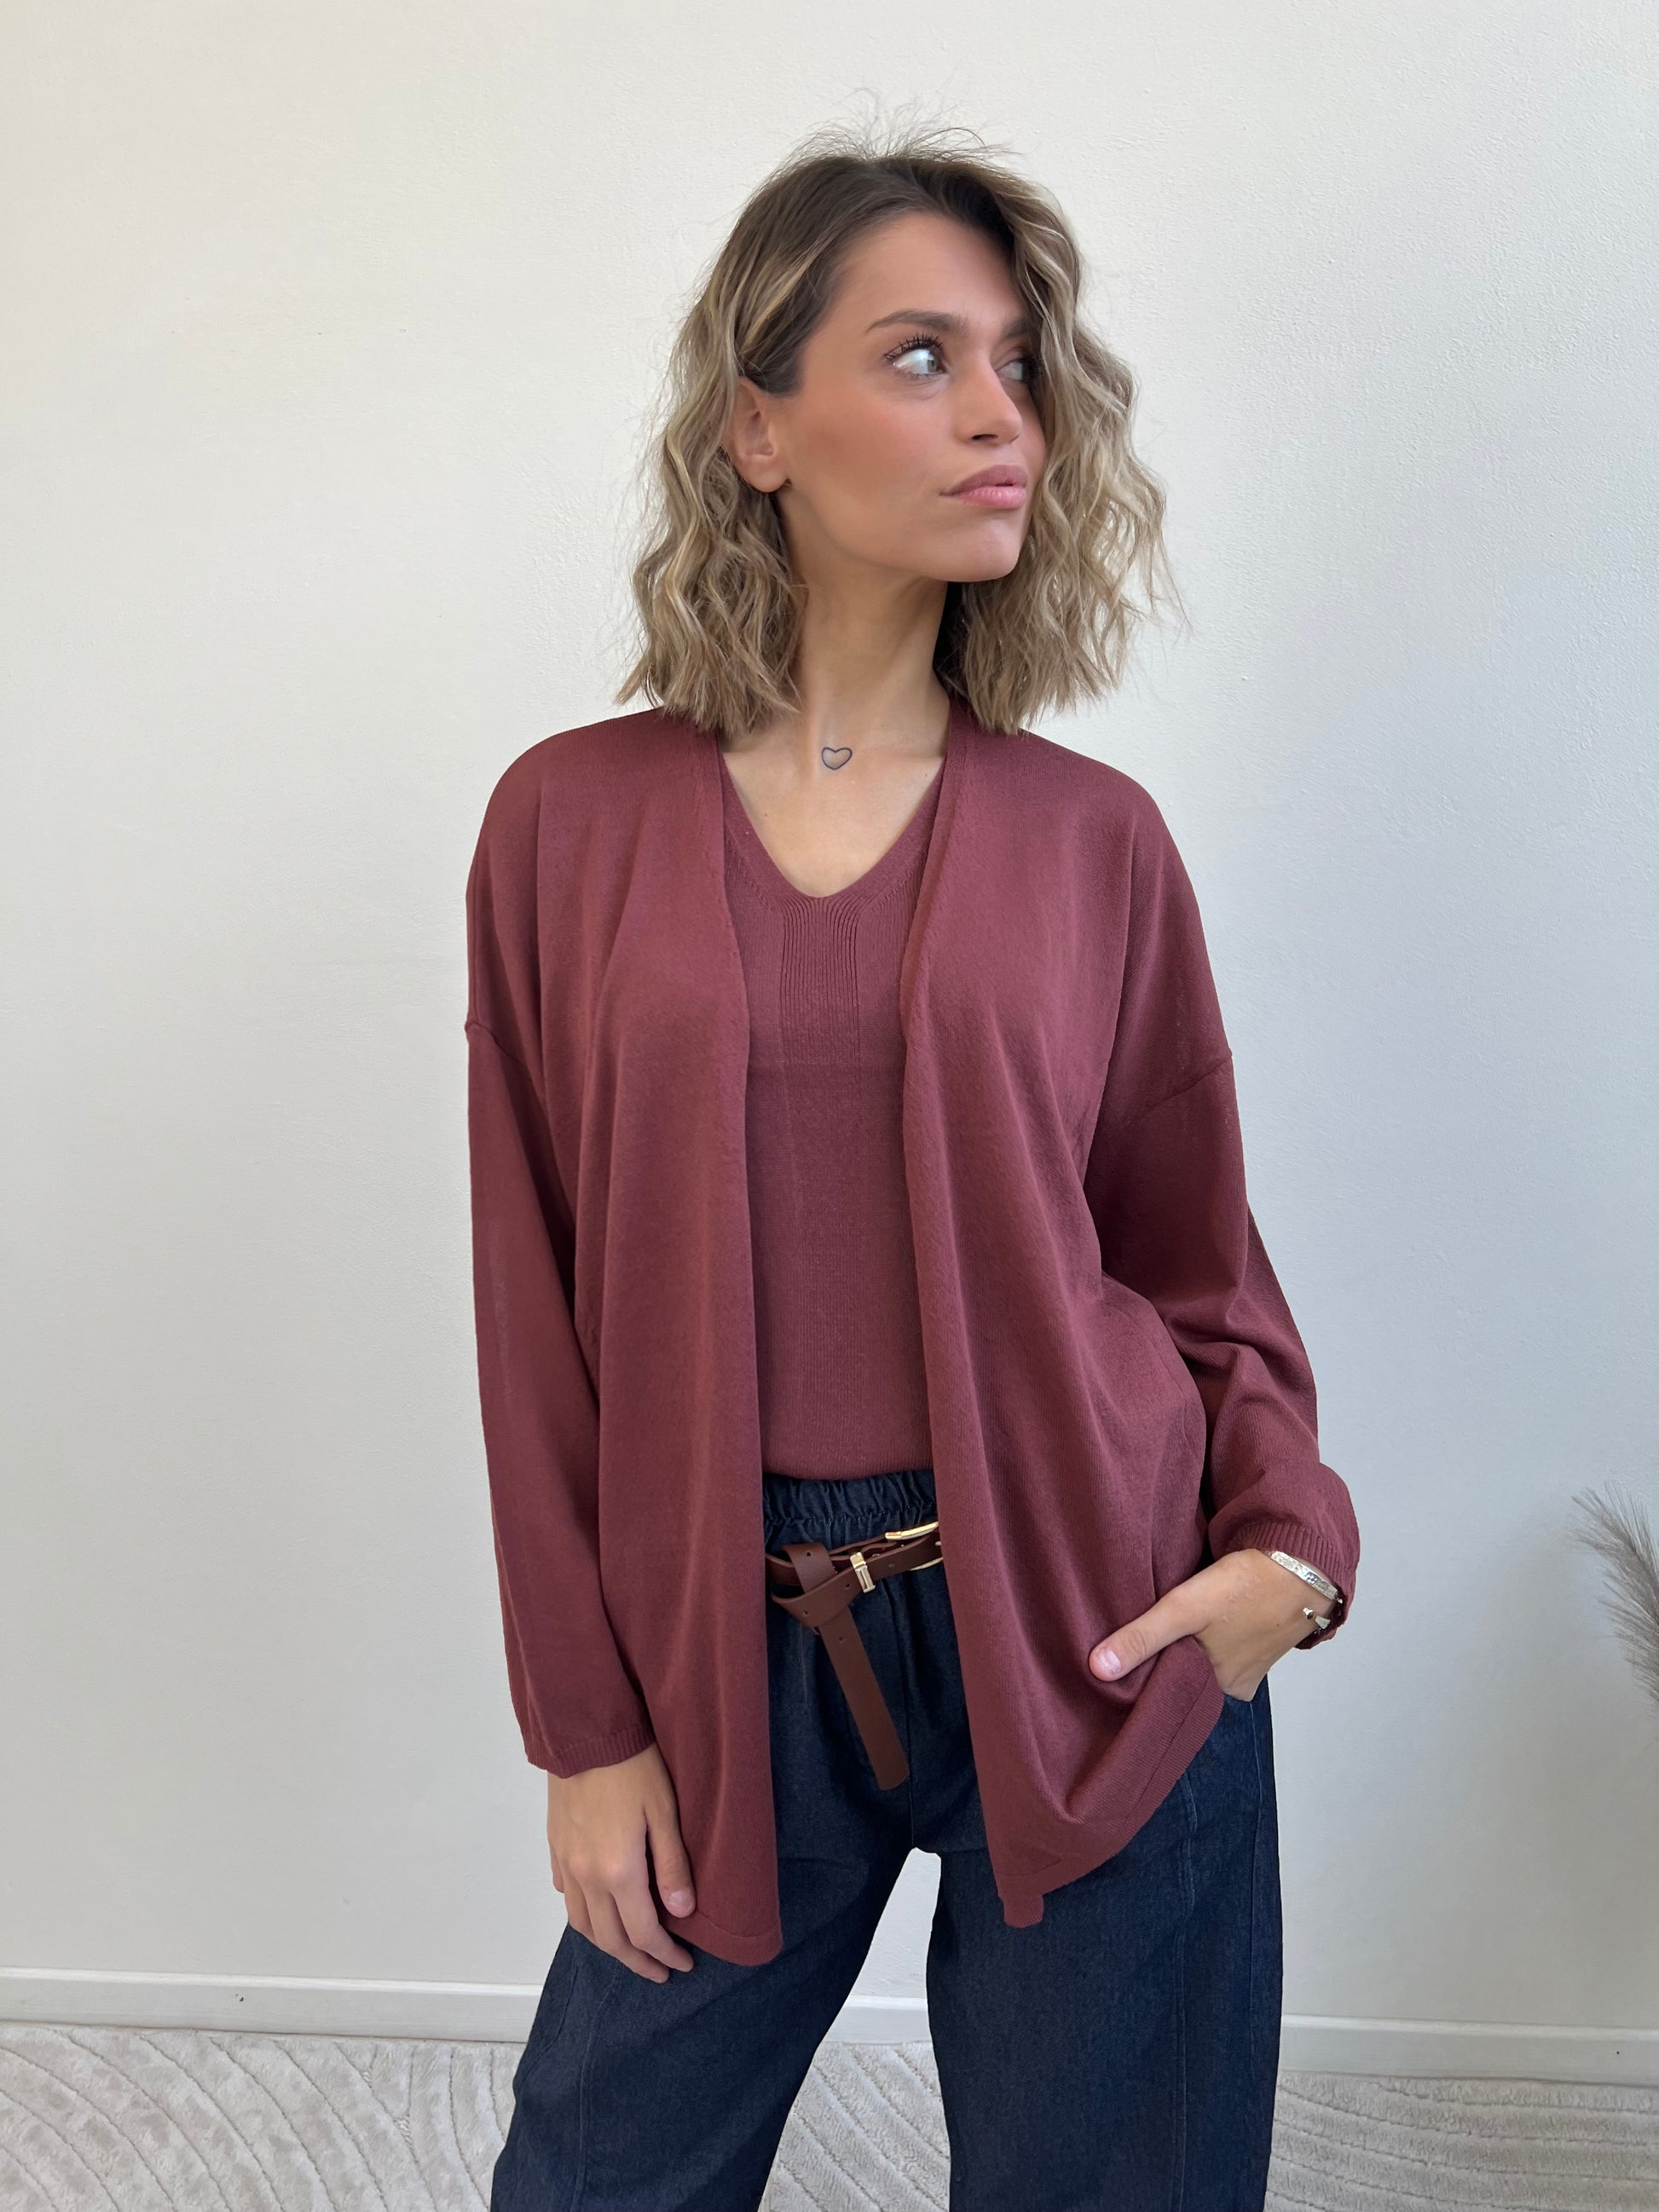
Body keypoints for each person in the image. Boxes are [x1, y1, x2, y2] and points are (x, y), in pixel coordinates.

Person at [467, 117, 1359, 2212]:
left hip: (1098, 1608)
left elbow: (1195, 1268)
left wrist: (1288, 1557)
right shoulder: (566, 824)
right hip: (728, 1636)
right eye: (922, 356)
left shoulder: (1092, 840)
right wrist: (585, 1728)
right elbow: (534, 1303)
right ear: (756, 425)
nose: (998, 415)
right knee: (595, 2173)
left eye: (1021, 366)